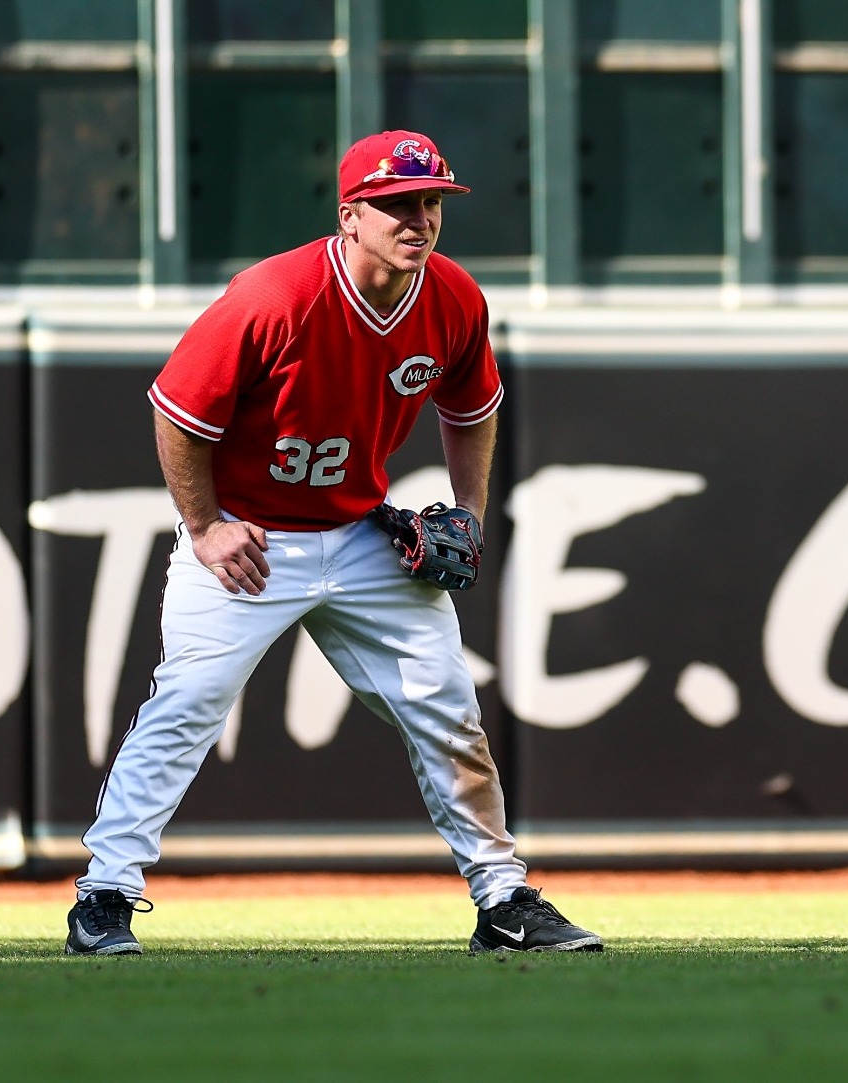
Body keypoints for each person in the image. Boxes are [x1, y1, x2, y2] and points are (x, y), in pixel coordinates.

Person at [65, 130, 603, 957]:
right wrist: (205, 527)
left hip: (360, 534)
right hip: (248, 540)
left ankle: (503, 901)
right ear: (350, 215)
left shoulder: (452, 297)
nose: (417, 219)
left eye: (430, 204)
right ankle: (103, 894)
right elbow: (177, 411)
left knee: (447, 708)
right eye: (396, 205)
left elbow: (473, 408)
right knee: (186, 707)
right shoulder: (273, 296)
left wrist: (468, 508)